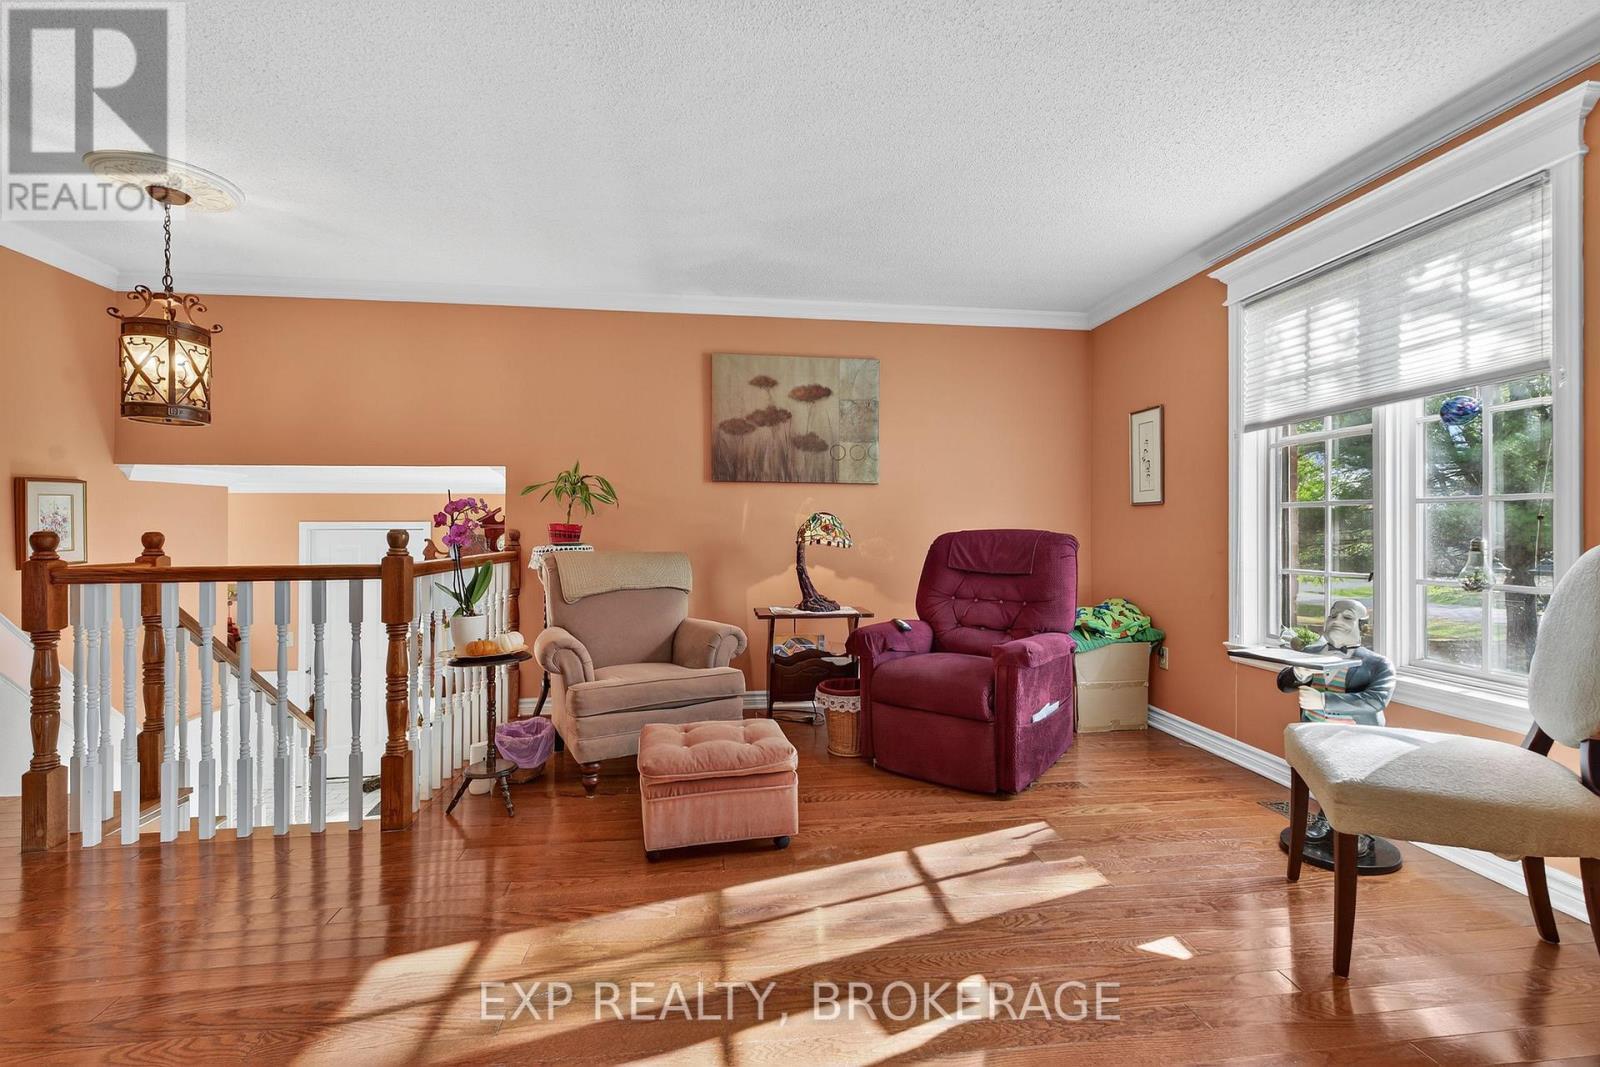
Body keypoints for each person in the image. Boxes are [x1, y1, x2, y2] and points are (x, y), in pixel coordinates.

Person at [1277, 599, 1397, 864]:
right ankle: (1325, 819)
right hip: (1315, 732)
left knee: (1355, 784)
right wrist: (1299, 673)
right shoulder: (1313, 651)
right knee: (1320, 777)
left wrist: (1324, 701)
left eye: (1346, 617)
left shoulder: (1377, 663)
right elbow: (1284, 683)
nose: (1336, 622)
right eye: (1333, 616)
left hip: (1355, 736)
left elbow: (1375, 700)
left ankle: (1361, 829)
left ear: (1362, 626)